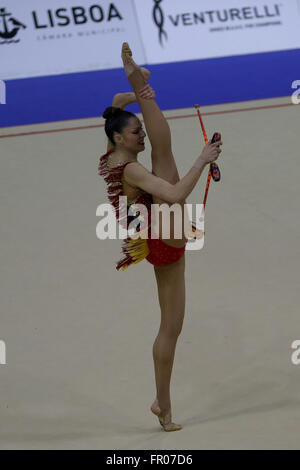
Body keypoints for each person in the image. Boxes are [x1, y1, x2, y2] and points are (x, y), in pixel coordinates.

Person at [98, 43, 222, 431]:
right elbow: (174, 195)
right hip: (162, 233)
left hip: (153, 228)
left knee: (164, 153)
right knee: (171, 326)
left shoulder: (112, 148)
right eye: (135, 133)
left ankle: (139, 85)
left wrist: (132, 96)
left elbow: (117, 112)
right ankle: (162, 405)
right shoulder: (131, 169)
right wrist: (203, 159)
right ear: (120, 138)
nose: (140, 137)